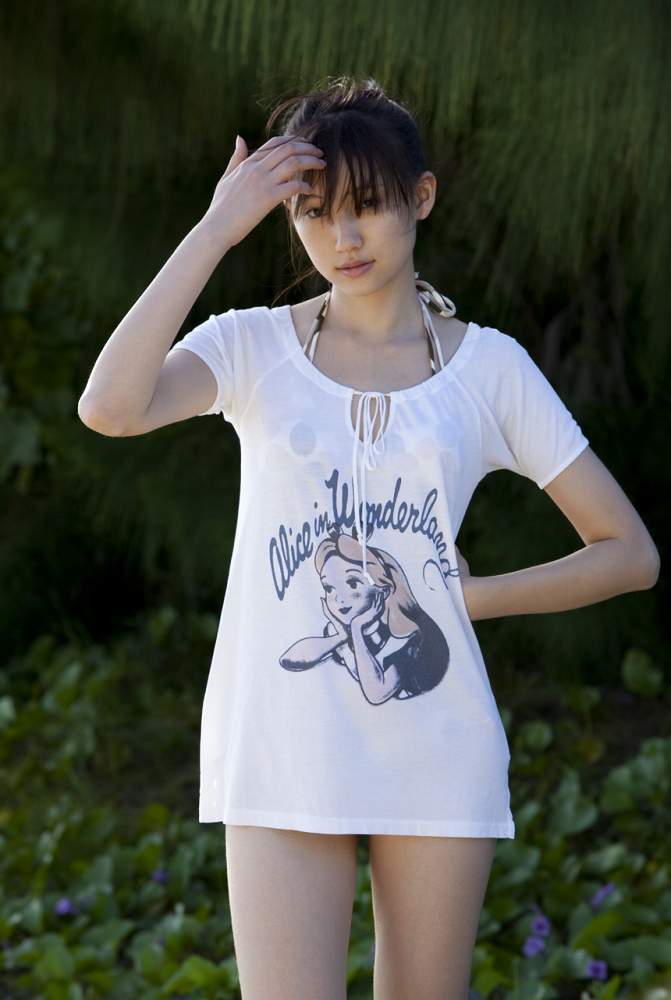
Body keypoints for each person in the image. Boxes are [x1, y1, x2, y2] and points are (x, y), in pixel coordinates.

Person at [78, 76, 660, 1000]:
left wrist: (472, 599)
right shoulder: (252, 349)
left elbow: (628, 552)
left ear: (420, 197)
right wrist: (217, 227)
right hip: (280, 742)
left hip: (436, 747)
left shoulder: (488, 369)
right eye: (313, 213)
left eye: (367, 207)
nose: (341, 239)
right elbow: (108, 407)